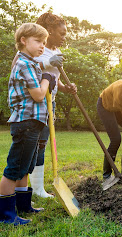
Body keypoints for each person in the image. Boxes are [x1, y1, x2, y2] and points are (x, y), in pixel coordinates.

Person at [12, 12, 77, 198]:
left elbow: (52, 80)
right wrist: (47, 62)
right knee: (31, 146)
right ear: (49, 31)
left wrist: (66, 88)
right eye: (62, 33)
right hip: (33, 105)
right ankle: (32, 189)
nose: (65, 37)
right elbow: (19, 67)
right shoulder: (32, 52)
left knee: (41, 144)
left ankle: (38, 189)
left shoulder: (55, 52)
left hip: (50, 103)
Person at [0, 23, 56, 225]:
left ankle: (23, 206)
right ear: (23, 41)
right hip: (26, 122)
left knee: (25, 168)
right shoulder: (24, 64)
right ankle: (6, 215)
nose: (42, 46)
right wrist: (47, 79)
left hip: (33, 123)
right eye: (38, 41)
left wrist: (46, 76)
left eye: (44, 42)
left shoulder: (32, 64)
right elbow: (39, 95)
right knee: (14, 169)